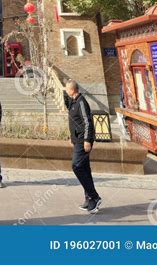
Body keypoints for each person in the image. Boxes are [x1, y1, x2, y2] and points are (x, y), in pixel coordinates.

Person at [64, 79, 102, 213]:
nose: (65, 91)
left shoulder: (81, 102)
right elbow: (75, 122)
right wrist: (72, 137)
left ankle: (95, 196)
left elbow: (87, 122)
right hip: (77, 140)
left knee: (76, 166)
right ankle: (89, 199)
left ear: (72, 90)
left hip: (83, 141)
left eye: (67, 89)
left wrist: (87, 139)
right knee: (85, 169)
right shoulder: (73, 102)